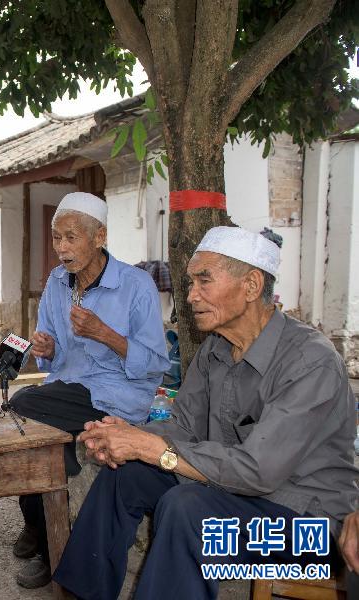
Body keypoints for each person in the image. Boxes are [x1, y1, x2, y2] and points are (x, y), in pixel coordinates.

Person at [55, 226, 359, 600]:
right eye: (190, 282)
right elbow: (183, 427)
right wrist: (129, 438)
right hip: (232, 493)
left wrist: (151, 449)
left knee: (189, 509)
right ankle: (82, 594)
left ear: (251, 286)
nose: (190, 295)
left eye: (204, 280)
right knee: (127, 475)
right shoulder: (216, 347)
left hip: (308, 527)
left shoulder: (310, 360)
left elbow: (258, 471)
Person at [9, 192, 170, 588]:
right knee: (53, 446)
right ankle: (42, 531)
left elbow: (156, 364)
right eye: (56, 237)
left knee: (22, 404)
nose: (62, 248)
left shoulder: (135, 285)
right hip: (67, 392)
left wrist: (105, 334)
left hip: (117, 396)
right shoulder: (56, 282)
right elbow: (53, 357)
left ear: (99, 237)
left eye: (71, 237)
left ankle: (39, 535)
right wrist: (47, 349)